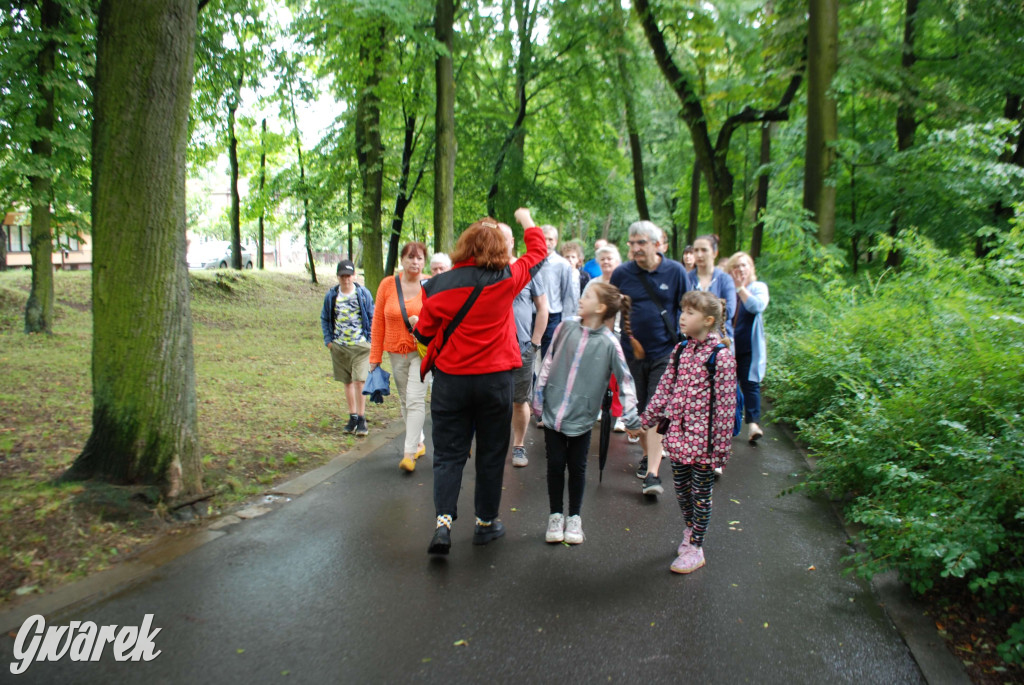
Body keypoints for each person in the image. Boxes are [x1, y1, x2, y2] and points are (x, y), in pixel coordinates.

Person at [414, 208, 547, 555]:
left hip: (451, 383)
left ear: (464, 246)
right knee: (490, 453)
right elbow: (538, 252)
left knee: (448, 454)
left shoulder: (436, 286)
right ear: (499, 249)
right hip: (494, 382)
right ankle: (485, 524)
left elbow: (425, 333)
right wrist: (526, 220)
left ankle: (443, 524)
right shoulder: (506, 278)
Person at [534, 281, 642, 544]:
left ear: (601, 307)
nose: (581, 299)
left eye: (587, 296)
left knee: (578, 467)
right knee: (556, 465)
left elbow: (625, 380)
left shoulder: (609, 343)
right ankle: (555, 515)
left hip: (582, 417)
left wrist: (631, 417)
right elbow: (548, 361)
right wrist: (538, 399)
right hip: (553, 412)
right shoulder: (566, 327)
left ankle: (574, 518)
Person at [640, 291, 737, 574]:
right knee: (682, 492)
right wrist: (646, 419)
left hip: (704, 446)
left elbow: (726, 409)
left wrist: (720, 450)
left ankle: (696, 547)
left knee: (700, 494)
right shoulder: (681, 351)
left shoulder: (721, 358)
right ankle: (689, 530)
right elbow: (664, 389)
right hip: (679, 441)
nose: (682, 316)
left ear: (708, 320)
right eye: (682, 310)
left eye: (690, 313)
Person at [610, 221, 689, 496]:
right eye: (631, 244)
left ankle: (653, 475)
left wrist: (691, 346)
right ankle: (648, 455)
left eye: (641, 242)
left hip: (664, 352)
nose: (635, 248)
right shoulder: (621, 273)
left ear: (657, 243)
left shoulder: (676, 271)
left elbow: (687, 308)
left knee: (657, 411)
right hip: (630, 354)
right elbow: (610, 311)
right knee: (641, 412)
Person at [370, 242, 430, 472]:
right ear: (401, 260)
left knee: (415, 400)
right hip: (395, 352)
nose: (415, 262)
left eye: (420, 258)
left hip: (421, 352)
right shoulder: (387, 285)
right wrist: (375, 357)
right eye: (410, 258)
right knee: (405, 400)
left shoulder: (429, 284)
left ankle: (409, 453)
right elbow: (377, 322)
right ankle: (420, 441)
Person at [500, 222, 548, 468]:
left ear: (512, 242)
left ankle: (518, 446)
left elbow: (542, 308)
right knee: (494, 401)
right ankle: (496, 448)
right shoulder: (483, 270)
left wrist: (535, 343)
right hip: (492, 350)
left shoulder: (526, 269)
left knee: (520, 400)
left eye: (504, 237)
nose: (499, 241)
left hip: (522, 347)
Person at [320, 260, 375, 437]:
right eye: (342, 276)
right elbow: (325, 318)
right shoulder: (332, 296)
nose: (346, 279)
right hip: (340, 346)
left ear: (354, 276)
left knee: (360, 380)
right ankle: (352, 416)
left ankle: (361, 418)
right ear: (338, 277)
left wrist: (371, 340)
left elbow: (372, 316)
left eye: (349, 275)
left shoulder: (363, 294)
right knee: (348, 381)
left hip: (360, 345)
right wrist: (329, 341)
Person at [582, 244, 628, 434]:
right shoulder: (593, 284)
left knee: (620, 377)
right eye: (603, 259)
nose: (606, 262)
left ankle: (621, 416)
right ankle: (601, 409)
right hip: (597, 334)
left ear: (618, 262)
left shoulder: (625, 282)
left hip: (620, 334)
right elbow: (583, 307)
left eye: (610, 258)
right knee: (599, 374)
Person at [727, 251, 769, 444]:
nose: (740, 269)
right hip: (727, 346)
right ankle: (729, 424)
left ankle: (753, 425)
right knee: (727, 386)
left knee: (750, 384)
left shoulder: (758, 287)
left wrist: (741, 289)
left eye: (744, 265)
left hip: (749, 346)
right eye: (736, 266)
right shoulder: (727, 288)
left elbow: (756, 306)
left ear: (751, 268)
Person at [532, 224, 576, 359]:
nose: (547, 242)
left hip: (553, 315)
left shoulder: (562, 264)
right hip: (532, 314)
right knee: (529, 354)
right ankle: (531, 380)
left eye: (550, 239)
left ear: (556, 242)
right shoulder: (531, 262)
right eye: (544, 238)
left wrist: (567, 323)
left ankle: (545, 380)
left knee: (549, 356)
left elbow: (567, 294)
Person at [686, 234, 737, 339]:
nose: (699, 255)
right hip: (692, 340)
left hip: (720, 339)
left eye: (704, 250)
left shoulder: (724, 279)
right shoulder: (687, 278)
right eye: (696, 250)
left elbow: (729, 310)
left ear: (714, 253)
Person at [559, 240, 590, 308]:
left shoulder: (584, 276)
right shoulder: (558, 275)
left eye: (573, 257)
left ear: (578, 259)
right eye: (567, 257)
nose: (570, 259)